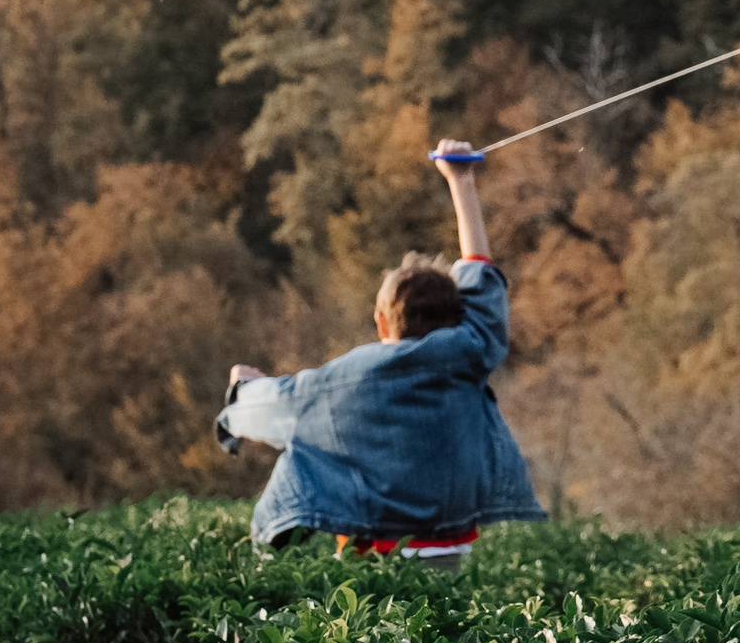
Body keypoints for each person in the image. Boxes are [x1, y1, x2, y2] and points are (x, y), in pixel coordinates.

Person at [216, 139, 546, 568]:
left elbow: (276, 407)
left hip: (372, 561)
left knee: (300, 452)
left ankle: (262, 567)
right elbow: (481, 273)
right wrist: (461, 181)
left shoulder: (343, 380)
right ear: (457, 315)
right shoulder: (469, 351)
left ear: (381, 321)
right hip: (450, 550)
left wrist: (245, 386)